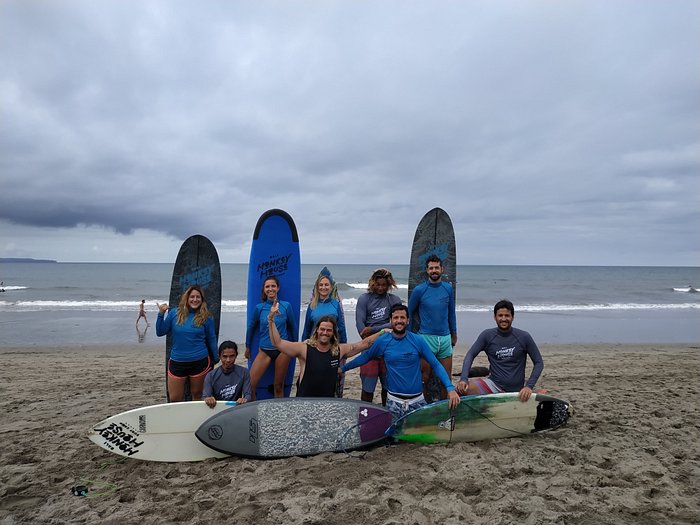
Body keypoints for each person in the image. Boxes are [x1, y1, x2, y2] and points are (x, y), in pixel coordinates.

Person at [341, 304, 460, 420]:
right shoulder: (383, 341)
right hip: (394, 402)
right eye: (396, 318)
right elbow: (365, 357)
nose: (399, 321)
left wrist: (450, 388)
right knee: (392, 438)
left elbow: (435, 364)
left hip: (417, 401)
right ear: (390, 320)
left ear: (408, 321)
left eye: (402, 318)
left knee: (421, 437)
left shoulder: (418, 340)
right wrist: (343, 369)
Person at [269, 301, 388, 397]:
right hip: (304, 402)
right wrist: (271, 320)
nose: (325, 333)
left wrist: (382, 332)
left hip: (328, 404)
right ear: (317, 331)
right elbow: (277, 343)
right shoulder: (304, 349)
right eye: (322, 329)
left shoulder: (339, 350)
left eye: (329, 330)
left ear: (333, 333)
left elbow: (364, 344)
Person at [455, 299, 544, 402]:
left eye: (507, 316)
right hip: (493, 385)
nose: (503, 319)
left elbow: (538, 362)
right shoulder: (487, 336)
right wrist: (463, 379)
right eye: (500, 315)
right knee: (457, 391)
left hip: (516, 391)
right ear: (495, 317)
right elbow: (470, 355)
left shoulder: (523, 337)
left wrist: (529, 386)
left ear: (512, 317)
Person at [156, 285, 218, 403]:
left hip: (199, 361)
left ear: (202, 299)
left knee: (198, 395)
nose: (195, 300)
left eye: (198, 297)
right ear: (187, 298)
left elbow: (211, 338)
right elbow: (160, 332)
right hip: (177, 362)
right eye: (192, 297)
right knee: (175, 399)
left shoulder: (207, 317)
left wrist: (215, 357)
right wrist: (160, 314)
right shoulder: (174, 313)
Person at [407, 254, 457, 400]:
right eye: (431, 268)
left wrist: (454, 332)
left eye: (436, 267)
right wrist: (408, 336)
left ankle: (443, 408)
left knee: (446, 379)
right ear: (427, 270)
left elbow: (451, 312)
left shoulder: (448, 288)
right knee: (425, 378)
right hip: (426, 338)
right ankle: (423, 405)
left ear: (442, 269)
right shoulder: (419, 290)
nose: (434, 270)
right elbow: (409, 313)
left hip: (445, 338)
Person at [245, 276, 298, 400]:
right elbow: (251, 328)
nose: (270, 289)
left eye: (273, 286)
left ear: (278, 288)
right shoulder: (260, 308)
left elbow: (293, 327)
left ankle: (279, 417)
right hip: (265, 349)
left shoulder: (286, 306)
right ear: (264, 290)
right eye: (267, 286)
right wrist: (248, 346)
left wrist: (295, 347)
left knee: (278, 386)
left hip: (283, 350)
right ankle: (254, 413)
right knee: (250, 385)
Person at [355, 268, 402, 405]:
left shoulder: (394, 300)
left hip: (389, 349)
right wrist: (385, 328)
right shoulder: (364, 298)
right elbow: (361, 329)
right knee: (367, 388)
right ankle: (365, 415)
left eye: (384, 285)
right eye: (378, 284)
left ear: (389, 285)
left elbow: (398, 324)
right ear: (372, 283)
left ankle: (386, 415)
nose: (381, 288)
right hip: (369, 348)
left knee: (388, 388)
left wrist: (374, 329)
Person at [301, 268, 348, 396]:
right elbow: (307, 328)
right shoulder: (312, 305)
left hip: (332, 346)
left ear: (331, 286)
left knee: (331, 379)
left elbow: (341, 328)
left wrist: (343, 349)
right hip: (315, 347)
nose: (323, 287)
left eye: (326, 284)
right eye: (321, 285)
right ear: (317, 287)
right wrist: (301, 348)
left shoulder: (336, 304)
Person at [203, 341, 251, 408]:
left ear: (236, 356)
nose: (228, 360)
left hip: (235, 409)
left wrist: (244, 400)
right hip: (216, 410)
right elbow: (205, 396)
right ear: (219, 356)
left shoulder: (244, 372)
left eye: (232, 356)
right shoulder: (211, 376)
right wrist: (209, 399)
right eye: (225, 356)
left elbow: (248, 395)